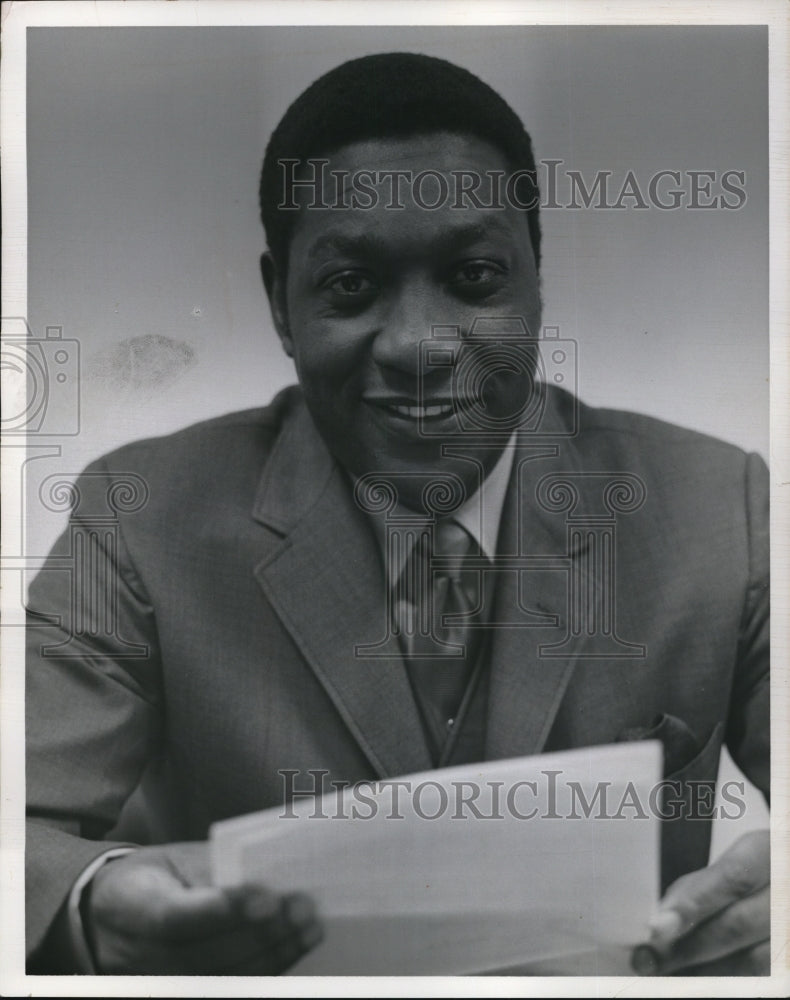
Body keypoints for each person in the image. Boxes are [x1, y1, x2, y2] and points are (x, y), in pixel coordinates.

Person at [25, 52, 769, 976]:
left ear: (537, 278)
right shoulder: (136, 522)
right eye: (351, 287)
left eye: (474, 277)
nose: (420, 345)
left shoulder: (722, 507)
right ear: (279, 306)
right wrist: (96, 906)